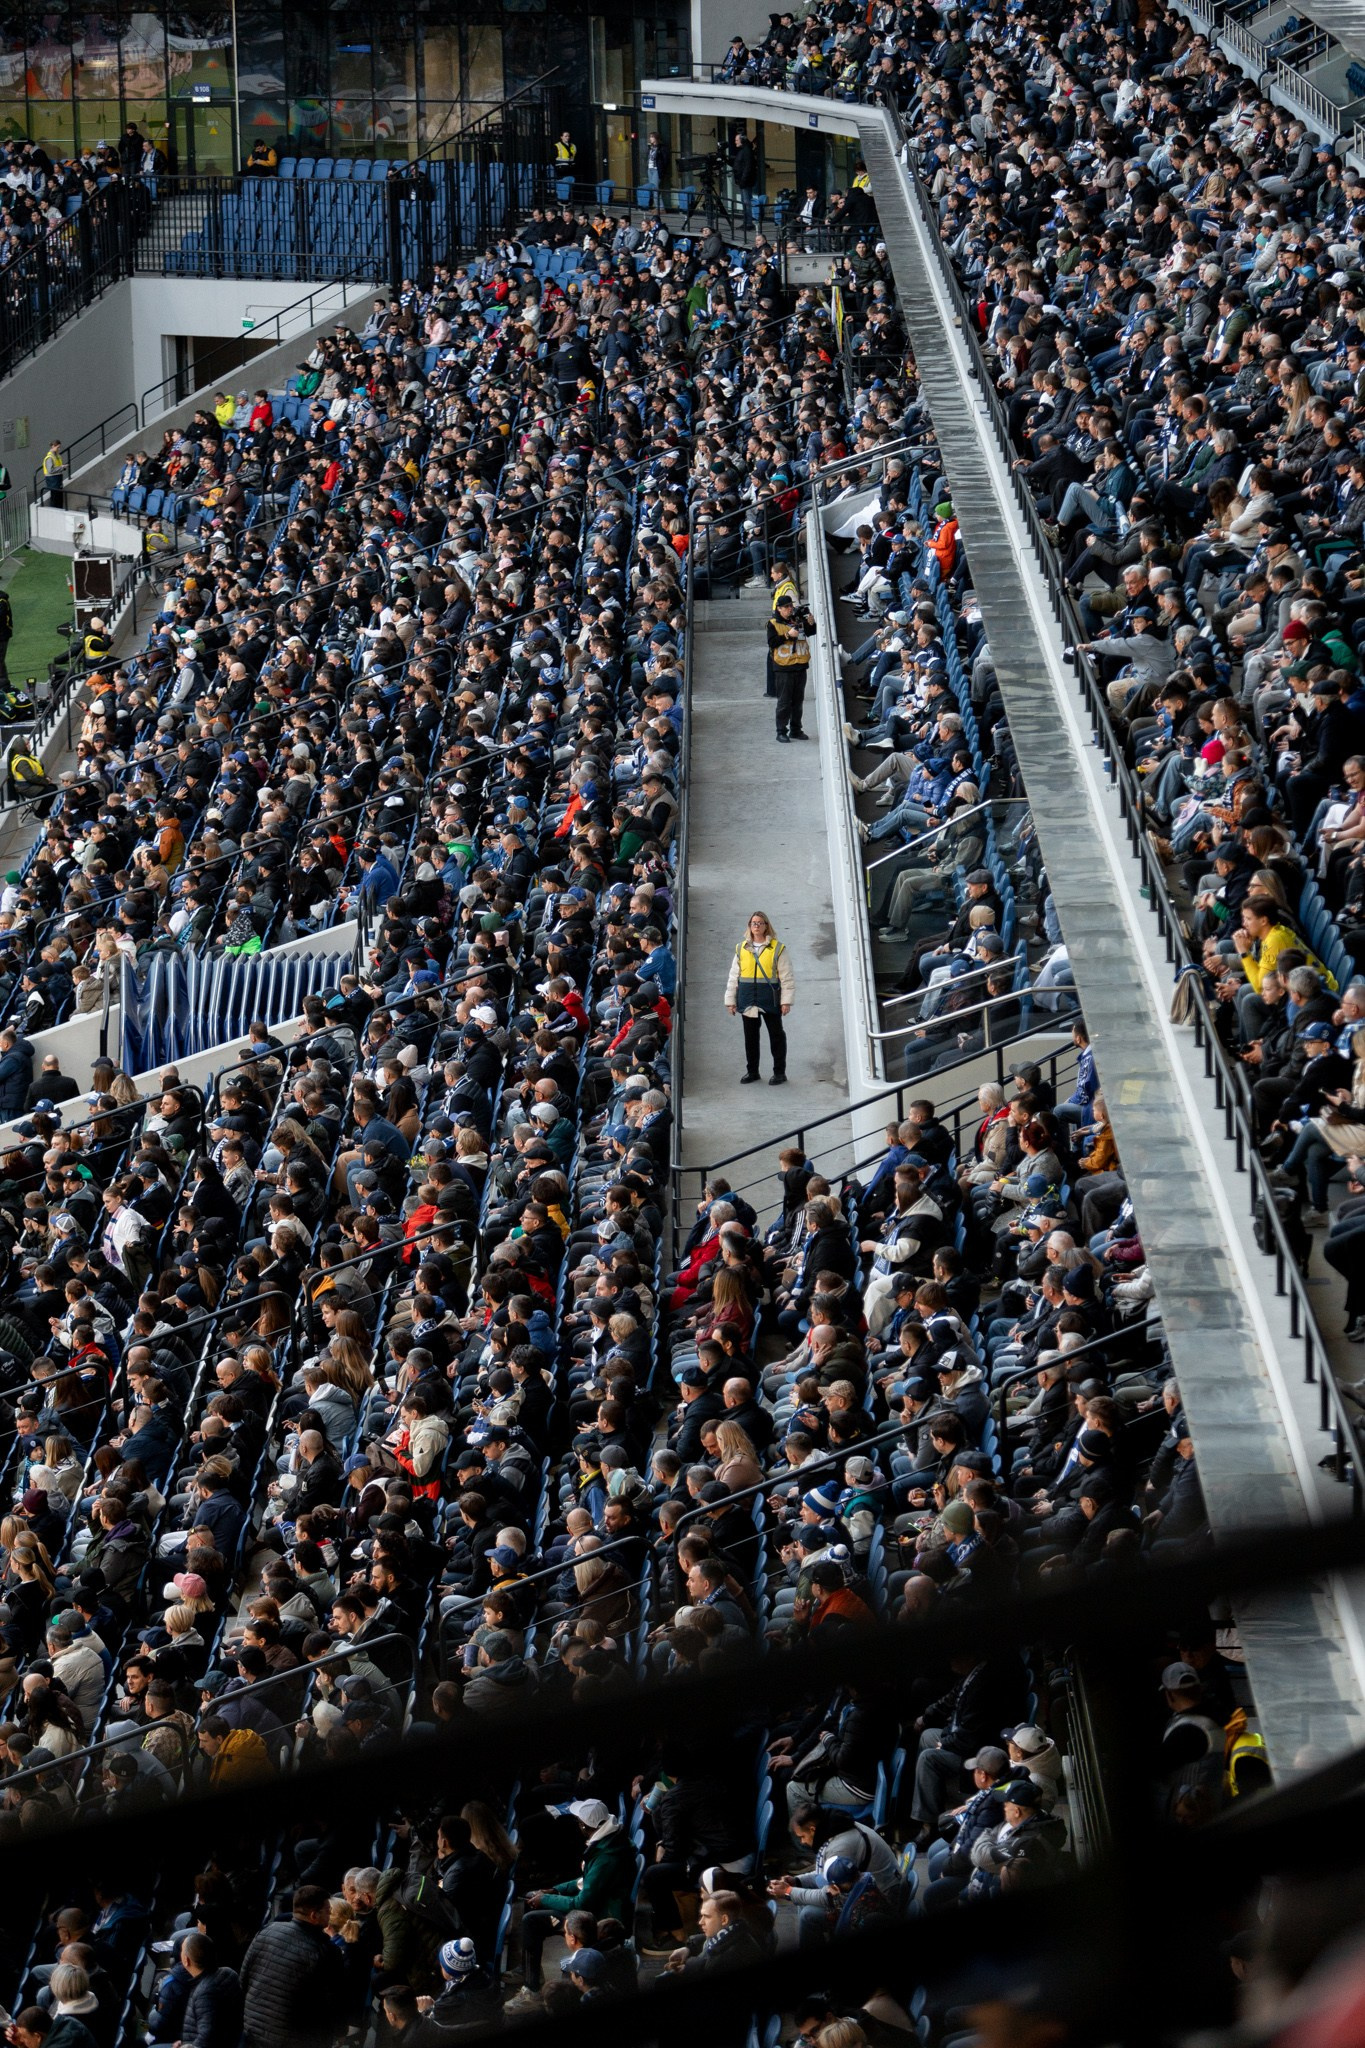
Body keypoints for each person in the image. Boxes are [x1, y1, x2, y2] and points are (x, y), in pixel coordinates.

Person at [725, 910, 795, 1085]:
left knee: (776, 1036)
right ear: (749, 926)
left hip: (769, 998)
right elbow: (734, 976)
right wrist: (730, 1000)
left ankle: (779, 1072)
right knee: (750, 1038)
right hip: (747, 998)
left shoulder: (778, 949)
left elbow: (787, 977)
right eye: (753, 923)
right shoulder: (741, 948)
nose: (756, 926)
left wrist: (786, 1001)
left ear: (766, 926)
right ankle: (752, 1071)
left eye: (760, 923)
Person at [768, 591, 816, 743]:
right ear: (779, 609)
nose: (790, 609)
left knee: (798, 701)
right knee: (784, 702)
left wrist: (810, 623)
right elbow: (772, 642)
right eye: (786, 607)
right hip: (784, 667)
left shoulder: (797, 619)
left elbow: (810, 633)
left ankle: (796, 729)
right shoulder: (773, 623)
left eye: (791, 606)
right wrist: (788, 635)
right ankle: (781, 731)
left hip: (800, 665)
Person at [41, 440, 64, 507]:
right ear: (53, 446)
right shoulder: (50, 457)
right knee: (55, 498)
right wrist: (62, 467)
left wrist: (62, 467)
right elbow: (50, 470)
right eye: (58, 447)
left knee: (58, 498)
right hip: (53, 479)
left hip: (57, 478)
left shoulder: (57, 456)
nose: (59, 449)